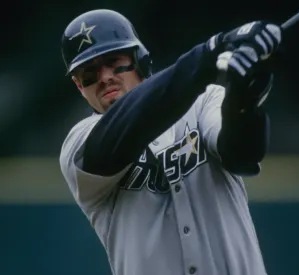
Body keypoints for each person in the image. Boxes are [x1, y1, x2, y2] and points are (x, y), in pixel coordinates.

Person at [59, 8, 282, 275]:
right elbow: (127, 126)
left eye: (114, 61)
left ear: (139, 58)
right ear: (78, 85)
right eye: (89, 73)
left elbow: (241, 154)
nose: (105, 77)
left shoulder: (204, 101)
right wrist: (212, 51)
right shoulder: (79, 145)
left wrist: (244, 101)